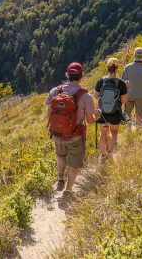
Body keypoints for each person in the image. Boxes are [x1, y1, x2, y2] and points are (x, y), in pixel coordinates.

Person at [46, 62, 97, 192]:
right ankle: (68, 190)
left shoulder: (55, 91)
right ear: (82, 76)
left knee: (61, 156)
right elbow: (90, 121)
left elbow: (49, 114)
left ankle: (60, 180)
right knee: (74, 164)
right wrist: (96, 115)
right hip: (75, 137)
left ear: (67, 75)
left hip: (58, 135)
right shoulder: (85, 96)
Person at [94, 58, 128, 161]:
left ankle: (103, 155)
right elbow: (124, 100)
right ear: (117, 68)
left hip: (102, 111)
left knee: (103, 132)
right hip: (115, 112)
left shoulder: (101, 81)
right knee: (114, 132)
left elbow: (96, 96)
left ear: (107, 68)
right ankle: (109, 152)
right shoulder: (120, 83)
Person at [121, 47, 142, 126]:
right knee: (139, 114)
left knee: (127, 113)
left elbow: (122, 82)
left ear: (134, 55)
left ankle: (128, 131)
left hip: (129, 94)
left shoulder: (127, 67)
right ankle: (137, 130)